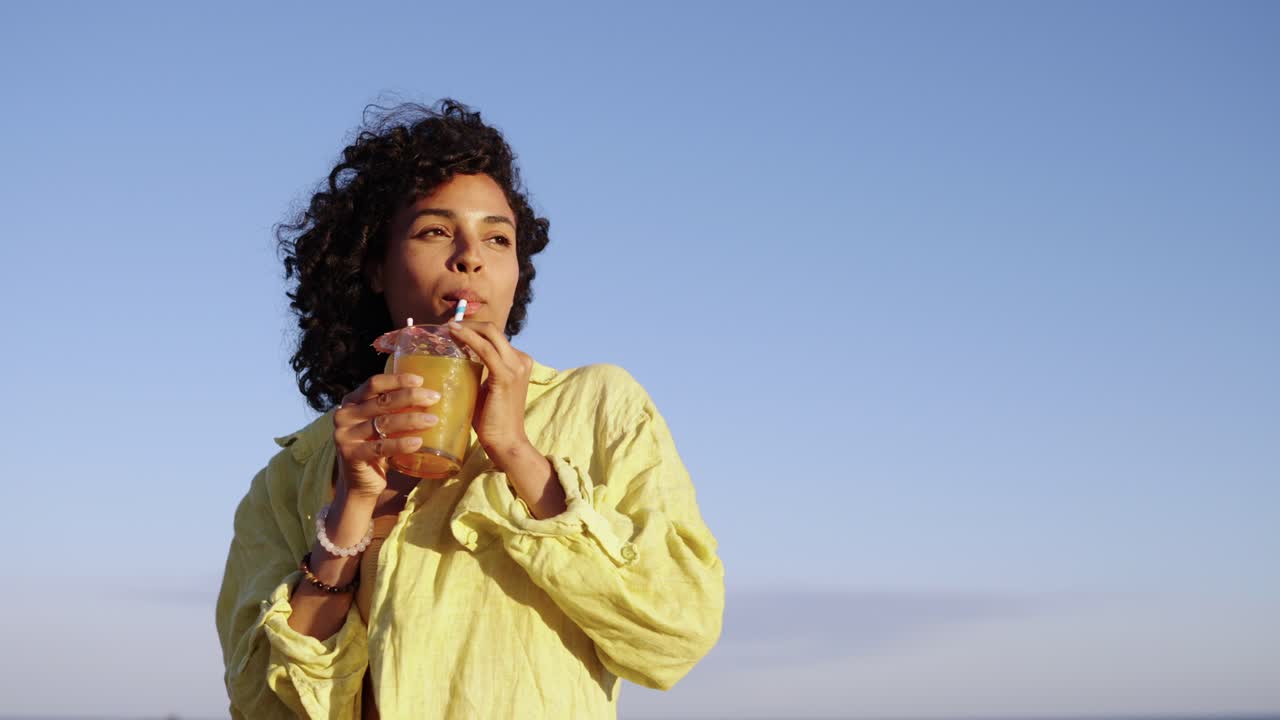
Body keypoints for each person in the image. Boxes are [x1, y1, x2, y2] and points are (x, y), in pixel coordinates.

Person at [215, 99, 725, 719]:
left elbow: (672, 638)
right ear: (374, 266)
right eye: (435, 230)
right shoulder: (293, 473)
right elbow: (262, 704)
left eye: (497, 237)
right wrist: (350, 508)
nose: (471, 256)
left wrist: (516, 452)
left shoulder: (599, 405)